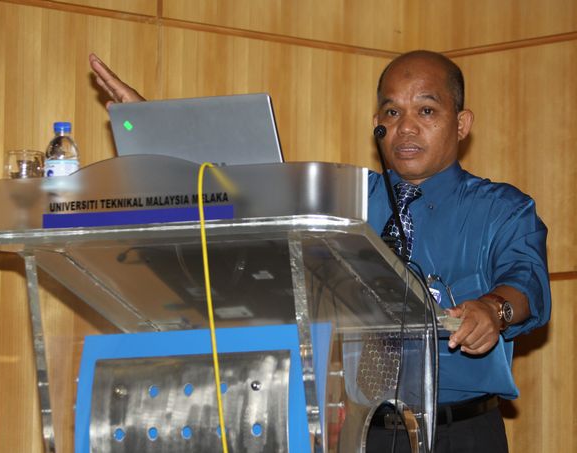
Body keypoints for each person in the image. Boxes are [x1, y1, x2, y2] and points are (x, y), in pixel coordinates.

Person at [88, 50, 551, 452]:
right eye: (391, 112)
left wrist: (494, 310)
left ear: (462, 123)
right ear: (377, 124)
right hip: (363, 433)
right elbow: (238, 191)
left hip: (461, 433)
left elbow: (525, 282)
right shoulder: (344, 199)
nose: (405, 127)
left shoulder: (502, 209)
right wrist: (154, 134)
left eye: (426, 111)